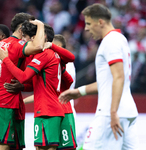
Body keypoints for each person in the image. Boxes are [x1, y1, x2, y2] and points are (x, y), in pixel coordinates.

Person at [59, 3, 138, 150]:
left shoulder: (110, 42)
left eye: (89, 23)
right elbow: (108, 81)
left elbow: (118, 77)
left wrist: (113, 111)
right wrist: (79, 92)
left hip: (110, 113)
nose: (86, 28)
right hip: (127, 112)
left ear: (100, 22)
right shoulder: (120, 39)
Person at [0, 22, 75, 150]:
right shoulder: (53, 55)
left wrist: (5, 59)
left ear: (35, 38)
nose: (23, 40)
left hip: (47, 110)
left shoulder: (44, 55)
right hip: (55, 109)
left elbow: (23, 77)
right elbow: (64, 81)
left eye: (25, 37)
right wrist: (23, 88)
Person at [0, 13, 45, 150]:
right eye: (29, 28)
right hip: (4, 101)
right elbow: (38, 47)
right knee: (2, 145)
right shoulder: (18, 45)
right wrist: (41, 25)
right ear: (21, 28)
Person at [22, 34, 77, 150]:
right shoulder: (58, 63)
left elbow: (56, 90)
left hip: (55, 109)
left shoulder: (63, 63)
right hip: (61, 109)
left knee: (45, 147)